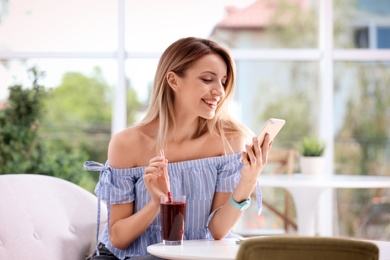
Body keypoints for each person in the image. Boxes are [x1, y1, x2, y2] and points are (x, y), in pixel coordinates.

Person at [84, 36, 272, 260]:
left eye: (222, 81)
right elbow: (118, 238)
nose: (219, 91)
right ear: (173, 81)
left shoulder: (229, 140)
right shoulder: (128, 144)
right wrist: (157, 203)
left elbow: (218, 230)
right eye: (207, 79)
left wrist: (249, 179)